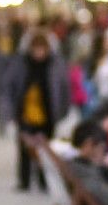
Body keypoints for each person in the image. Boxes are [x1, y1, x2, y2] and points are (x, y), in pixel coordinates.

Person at [6, 31, 70, 192]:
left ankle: (44, 181)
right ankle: (24, 180)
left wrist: (61, 111)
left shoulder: (55, 65)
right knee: (25, 149)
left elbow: (64, 90)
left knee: (46, 151)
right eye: (36, 49)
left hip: (47, 114)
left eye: (42, 49)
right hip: (26, 114)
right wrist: (11, 110)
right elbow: (10, 86)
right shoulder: (21, 64)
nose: (39, 53)